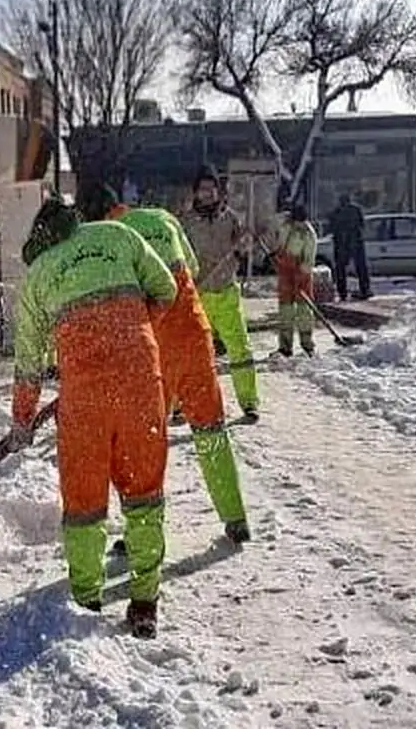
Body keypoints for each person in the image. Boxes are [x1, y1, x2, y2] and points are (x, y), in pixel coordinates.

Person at [8, 195, 177, 639]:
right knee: (144, 494)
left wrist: (22, 419)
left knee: (84, 503)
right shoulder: (120, 235)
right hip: (142, 385)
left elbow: (28, 361)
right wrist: (134, 334)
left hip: (84, 401)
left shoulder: (39, 274)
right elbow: (168, 290)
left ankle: (86, 600)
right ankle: (144, 603)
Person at [76, 184, 251, 544]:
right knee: (211, 429)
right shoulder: (164, 217)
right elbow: (193, 266)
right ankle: (235, 520)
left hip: (151, 351)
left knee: (144, 443)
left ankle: (142, 532)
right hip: (193, 335)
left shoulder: (110, 240)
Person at [179, 165, 260, 422]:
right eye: (202, 189)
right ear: (196, 192)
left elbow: (247, 248)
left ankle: (249, 402)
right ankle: (180, 404)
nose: (208, 193)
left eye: (211, 188)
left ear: (218, 190)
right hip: (197, 295)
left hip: (225, 292)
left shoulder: (231, 219)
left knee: (240, 350)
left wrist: (244, 248)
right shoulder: (186, 223)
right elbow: (178, 254)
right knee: (190, 353)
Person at [273, 203, 319, 357]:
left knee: (304, 310)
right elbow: (273, 233)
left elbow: (309, 260)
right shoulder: (285, 224)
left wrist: (300, 273)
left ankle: (307, 344)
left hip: (301, 274)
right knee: (285, 310)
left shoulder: (308, 234)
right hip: (285, 272)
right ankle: (285, 346)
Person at [328, 193, 372, 301]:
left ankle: (342, 292)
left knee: (340, 269)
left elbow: (331, 228)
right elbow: (362, 225)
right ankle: (365, 290)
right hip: (356, 242)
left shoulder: (336, 212)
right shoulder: (356, 210)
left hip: (341, 243)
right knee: (361, 267)